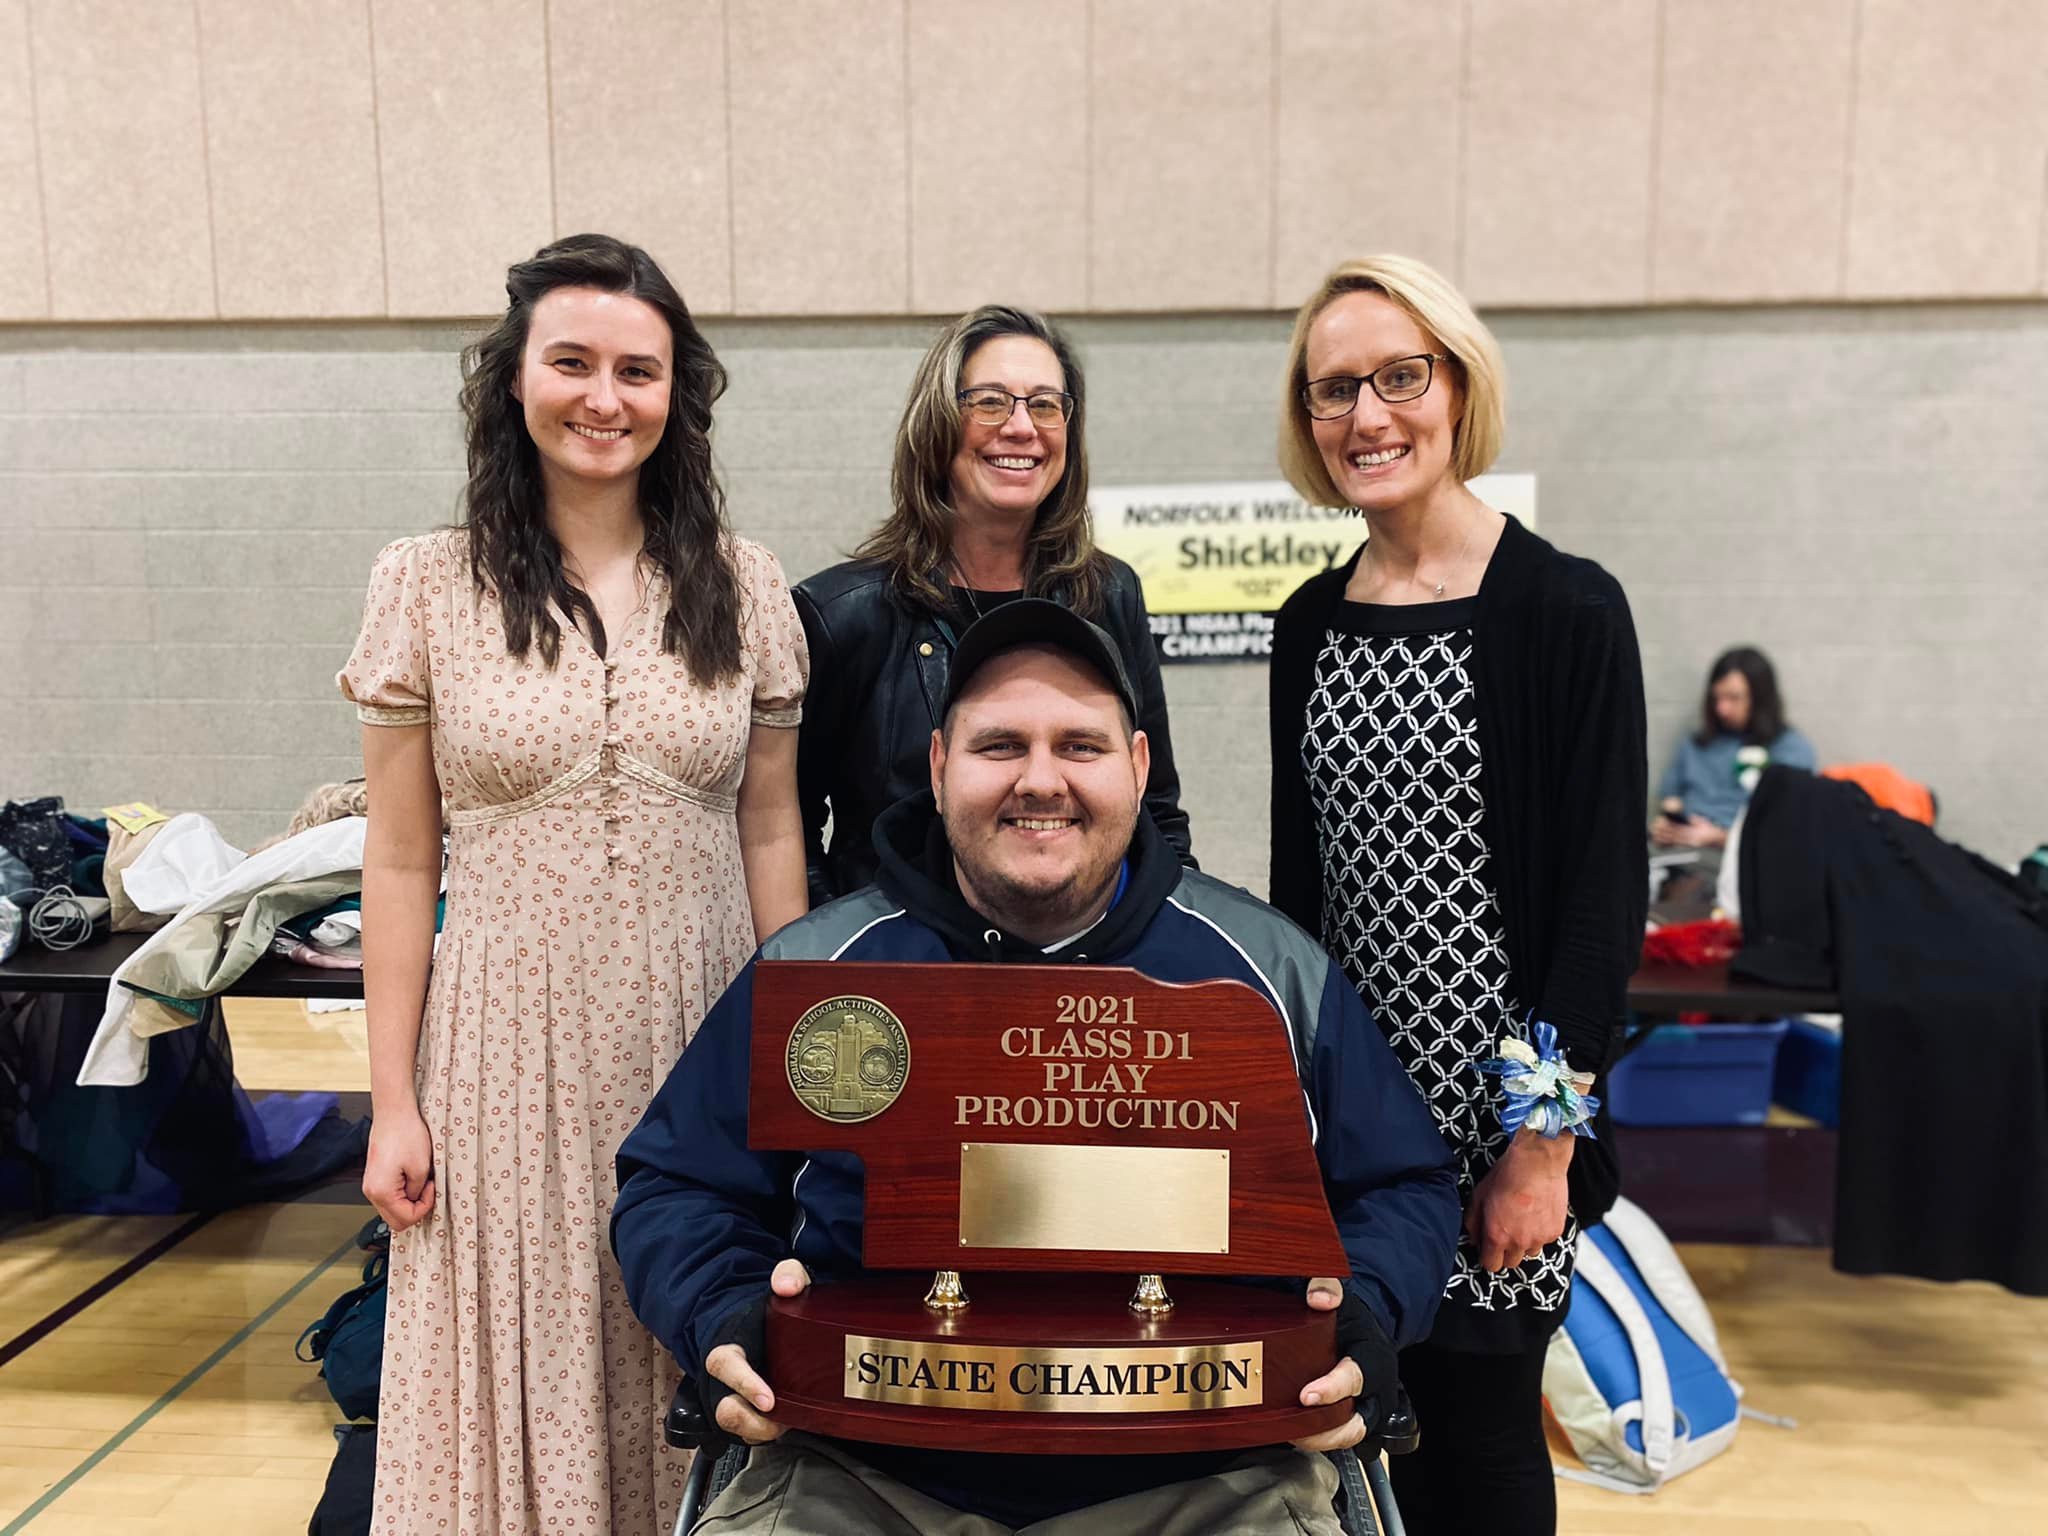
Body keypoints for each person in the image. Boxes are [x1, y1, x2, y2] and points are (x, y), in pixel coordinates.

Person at [614, 601, 1460, 1534]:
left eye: (1080, 746)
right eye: (1001, 746)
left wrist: (1365, 1307)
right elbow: (678, 1184)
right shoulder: (820, 970)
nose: (1041, 780)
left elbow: (1402, 1183)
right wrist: (726, 1310)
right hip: (858, 1468)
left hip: (1215, 1473)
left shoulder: (1265, 969)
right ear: (940, 766)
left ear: (1139, 767)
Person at [340, 233, 809, 1535]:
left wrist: (798, 1049)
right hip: (501, 1054)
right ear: (515, 379)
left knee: (695, 1315)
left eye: (637, 371)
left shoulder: (744, 585)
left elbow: (772, 830)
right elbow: (400, 858)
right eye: (573, 363)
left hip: (696, 1029)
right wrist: (391, 1103)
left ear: (676, 394)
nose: (605, 398)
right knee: (523, 1345)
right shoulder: (425, 585)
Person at [1267, 255, 1647, 1536]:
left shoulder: (1565, 609)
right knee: (1359, 1427)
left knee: (1478, 1440)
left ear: (1457, 388)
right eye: (1333, 390)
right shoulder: (1308, 624)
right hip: (1352, 1128)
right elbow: (1302, 897)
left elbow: (1598, 912)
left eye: (1398, 377)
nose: (1365, 415)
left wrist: (1540, 1148)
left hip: (1501, 1127)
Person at [793, 304, 1193, 905]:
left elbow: (1154, 808)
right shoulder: (840, 614)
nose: (1021, 427)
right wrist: (845, 945)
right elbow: (786, 829)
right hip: (897, 952)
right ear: (937, 423)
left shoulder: (1110, 594)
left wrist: (1170, 935)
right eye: (989, 401)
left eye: (1045, 405)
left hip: (1081, 950)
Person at [1654, 645, 1815, 849]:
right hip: (1683, 849)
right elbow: (1670, 798)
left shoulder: (1791, 750)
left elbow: (1786, 832)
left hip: (1742, 856)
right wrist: (1669, 826)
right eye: (1717, 698)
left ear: (1760, 699)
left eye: (1734, 698)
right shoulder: (1697, 742)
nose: (1722, 709)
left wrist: (1720, 838)